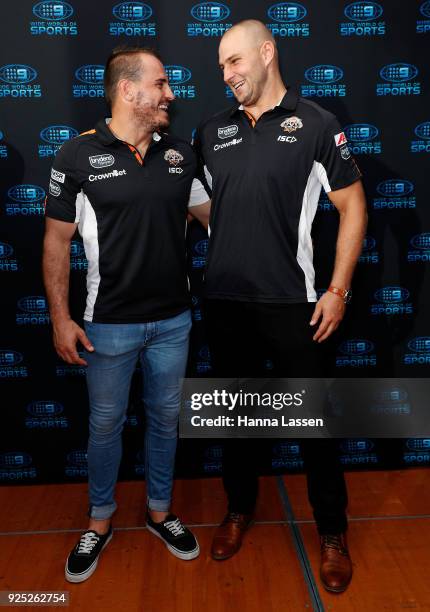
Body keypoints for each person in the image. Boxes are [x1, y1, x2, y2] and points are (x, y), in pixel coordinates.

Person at [194, 20, 367, 593]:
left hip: (295, 306)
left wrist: (338, 290)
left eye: (236, 61)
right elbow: (199, 198)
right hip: (225, 305)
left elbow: (353, 206)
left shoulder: (317, 124)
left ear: (268, 53)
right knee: (239, 423)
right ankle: (239, 509)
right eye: (221, 65)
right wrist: (226, 231)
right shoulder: (211, 131)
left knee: (315, 426)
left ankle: (332, 533)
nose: (227, 74)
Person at [42, 45, 210, 583]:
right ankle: (100, 521)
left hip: (174, 322)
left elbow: (218, 221)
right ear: (127, 90)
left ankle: (160, 513)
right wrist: (60, 318)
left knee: (165, 421)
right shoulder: (75, 157)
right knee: (105, 427)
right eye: (160, 85)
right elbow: (55, 243)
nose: (170, 94)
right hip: (106, 324)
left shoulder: (182, 155)